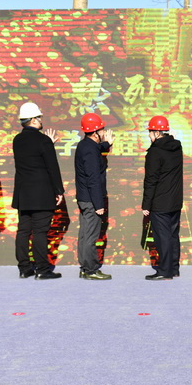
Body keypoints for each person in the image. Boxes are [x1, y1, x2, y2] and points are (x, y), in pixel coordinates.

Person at [12, 102, 65, 280]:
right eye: (39, 118)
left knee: (23, 231)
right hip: (42, 194)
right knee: (40, 232)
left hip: (23, 194)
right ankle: (42, 269)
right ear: (34, 120)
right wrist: (59, 190)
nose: (41, 120)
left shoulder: (17, 140)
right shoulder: (43, 140)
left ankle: (24, 268)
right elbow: (52, 167)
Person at [141, 116, 183, 281]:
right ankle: (173, 268)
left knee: (162, 237)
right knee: (172, 235)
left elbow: (151, 180)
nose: (149, 135)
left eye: (150, 132)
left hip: (160, 201)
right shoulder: (177, 147)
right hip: (175, 200)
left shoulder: (155, 152)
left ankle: (165, 271)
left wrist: (146, 204)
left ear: (157, 133)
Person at [75, 112, 114, 280]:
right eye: (102, 130)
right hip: (91, 200)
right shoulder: (90, 151)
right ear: (96, 132)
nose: (104, 132)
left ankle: (85, 268)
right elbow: (93, 179)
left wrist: (106, 144)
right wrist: (99, 205)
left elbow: (97, 148)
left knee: (84, 234)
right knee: (90, 236)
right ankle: (91, 270)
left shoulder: (85, 145)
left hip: (84, 198)